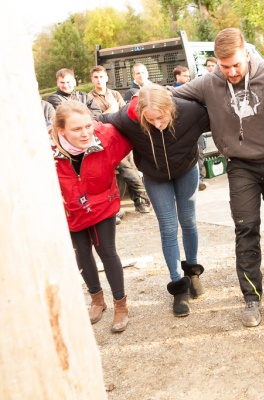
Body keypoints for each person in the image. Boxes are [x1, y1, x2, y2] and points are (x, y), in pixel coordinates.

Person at [168, 28, 264, 327]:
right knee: (246, 229)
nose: (230, 71)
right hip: (241, 166)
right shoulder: (208, 82)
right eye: (223, 65)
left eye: (236, 65)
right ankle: (252, 298)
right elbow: (169, 96)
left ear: (247, 54)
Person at [99, 84, 211, 317]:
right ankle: (178, 286)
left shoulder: (190, 111)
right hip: (154, 176)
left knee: (188, 221)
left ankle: (192, 272)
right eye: (149, 120)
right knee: (168, 227)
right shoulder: (129, 118)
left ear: (170, 107)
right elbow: (101, 118)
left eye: (160, 118)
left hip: (186, 170)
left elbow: (220, 113)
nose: (157, 124)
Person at [51, 101, 133, 332]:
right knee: (82, 253)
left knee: (106, 250)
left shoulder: (107, 138)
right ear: (61, 130)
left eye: (88, 126)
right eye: (77, 129)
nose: (85, 133)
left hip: (102, 202)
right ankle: (97, 300)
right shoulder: (46, 151)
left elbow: (136, 132)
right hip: (72, 208)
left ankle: (121, 305)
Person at [89, 65, 152, 216]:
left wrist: (111, 112)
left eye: (101, 77)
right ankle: (144, 201)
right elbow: (95, 119)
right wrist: (111, 111)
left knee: (133, 167)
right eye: (96, 77)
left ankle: (139, 201)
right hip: (107, 139)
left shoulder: (115, 94)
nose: (99, 80)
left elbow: (125, 113)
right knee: (126, 168)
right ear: (92, 79)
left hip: (124, 134)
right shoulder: (89, 98)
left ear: (107, 78)